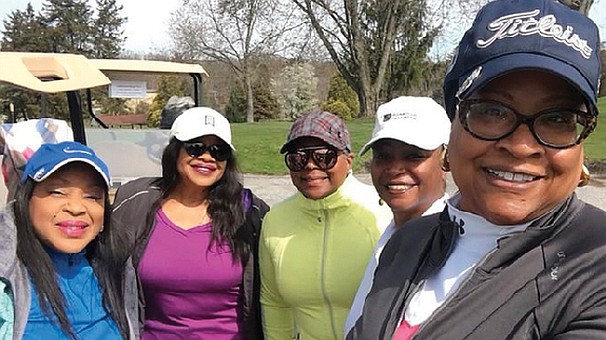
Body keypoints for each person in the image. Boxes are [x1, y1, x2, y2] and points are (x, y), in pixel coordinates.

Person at [347, 0, 606, 339]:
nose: (521, 146)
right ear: (452, 124)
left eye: (557, 119)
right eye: (492, 111)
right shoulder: (408, 242)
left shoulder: (605, 267)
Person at [111, 107, 269, 339]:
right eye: (196, 147)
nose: (207, 157)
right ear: (175, 151)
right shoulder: (135, 202)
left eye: (219, 151)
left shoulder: (249, 212)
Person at [259, 109, 391, 340]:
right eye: (297, 158)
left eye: (324, 156)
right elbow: (274, 303)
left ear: (348, 160)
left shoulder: (384, 211)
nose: (310, 166)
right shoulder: (275, 220)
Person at [0, 141, 135, 339]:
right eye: (57, 192)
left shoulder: (118, 266)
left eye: (92, 196)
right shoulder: (7, 276)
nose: (76, 207)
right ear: (26, 199)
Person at [343, 96, 451, 337]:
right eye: (383, 155)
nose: (394, 169)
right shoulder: (394, 233)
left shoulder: (448, 248)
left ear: (446, 160)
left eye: (414, 155)